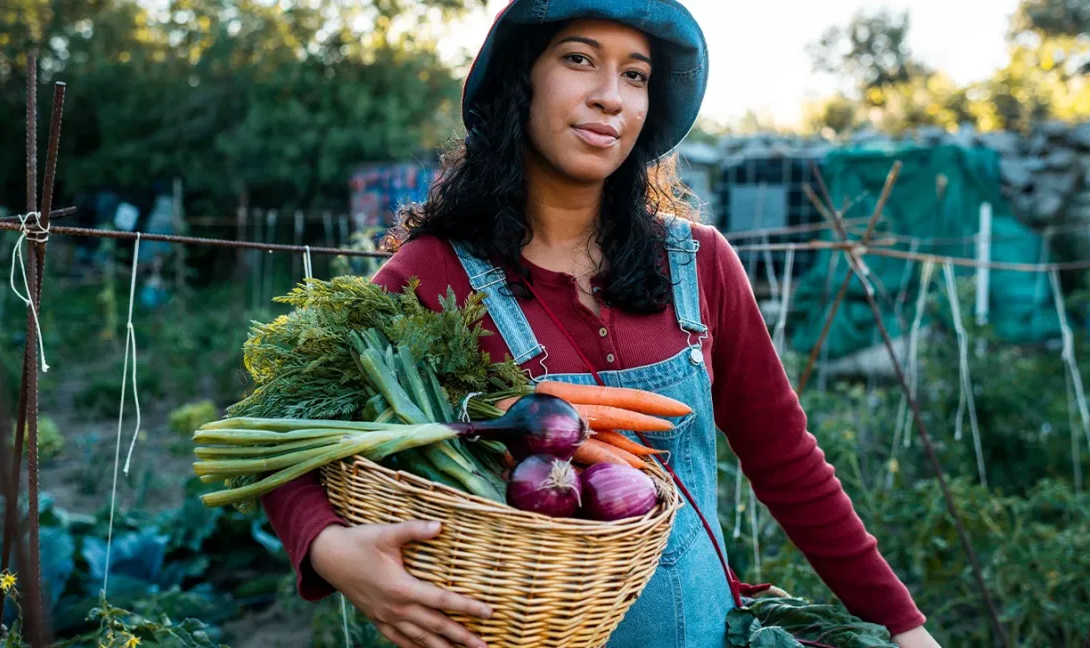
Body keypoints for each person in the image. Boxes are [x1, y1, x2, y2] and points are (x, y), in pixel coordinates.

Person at [260, 1, 943, 647]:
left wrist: (901, 625)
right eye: (579, 60)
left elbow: (787, 461)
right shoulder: (435, 273)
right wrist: (329, 550)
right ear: (521, 79)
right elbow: (280, 429)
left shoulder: (699, 263)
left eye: (635, 75)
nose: (611, 97)